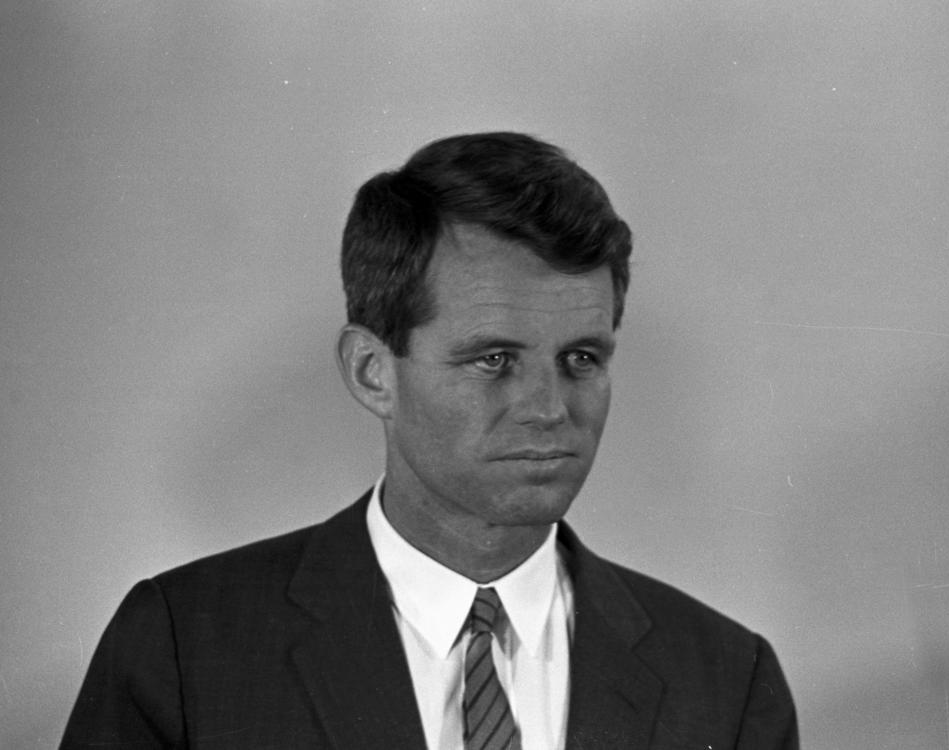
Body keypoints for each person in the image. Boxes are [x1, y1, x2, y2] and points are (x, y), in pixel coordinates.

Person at [61, 132, 798, 749]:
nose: (548, 409)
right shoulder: (186, 650)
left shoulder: (727, 682)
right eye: (494, 359)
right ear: (372, 371)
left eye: (582, 358)